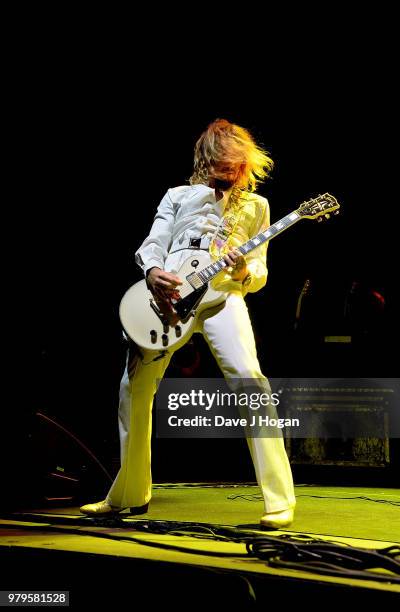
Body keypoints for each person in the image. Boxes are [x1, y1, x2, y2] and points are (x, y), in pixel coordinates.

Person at [80, 119, 296, 528]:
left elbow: (261, 270)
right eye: (221, 164)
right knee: (134, 388)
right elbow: (154, 241)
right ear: (205, 159)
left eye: (235, 165)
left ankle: (279, 501)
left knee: (251, 380)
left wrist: (243, 271)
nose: (227, 173)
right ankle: (129, 494)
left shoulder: (257, 206)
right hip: (169, 301)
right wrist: (152, 272)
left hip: (223, 298)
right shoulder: (178, 195)